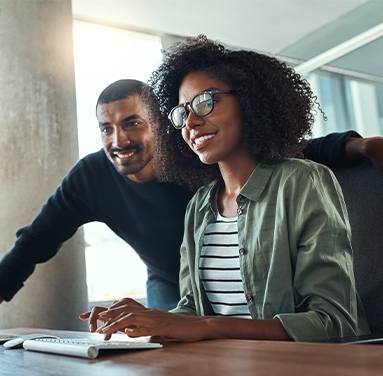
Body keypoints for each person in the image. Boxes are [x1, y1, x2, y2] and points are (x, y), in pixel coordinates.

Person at [0, 79, 382, 312]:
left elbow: (287, 152)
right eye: (106, 129)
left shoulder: (193, 151)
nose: (119, 141)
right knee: (168, 349)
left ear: (160, 124)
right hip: (170, 281)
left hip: (240, 275)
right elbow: (34, 242)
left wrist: (359, 146)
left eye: (132, 123)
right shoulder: (90, 177)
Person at [87, 35, 371, 343]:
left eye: (206, 101)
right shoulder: (199, 206)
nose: (191, 122)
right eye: (183, 113)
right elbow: (194, 312)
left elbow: (334, 323)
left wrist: (210, 326)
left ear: (249, 100)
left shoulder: (302, 182)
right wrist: (145, 320)